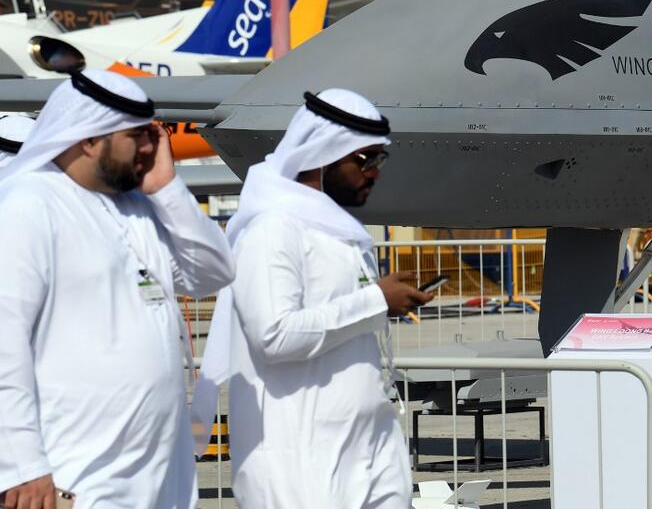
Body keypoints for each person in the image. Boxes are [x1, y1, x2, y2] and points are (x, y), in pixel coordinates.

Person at [0, 69, 235, 508]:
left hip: (159, 470)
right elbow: (3, 346)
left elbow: (214, 272)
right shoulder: (28, 207)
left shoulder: (140, 207)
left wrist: (167, 190)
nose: (150, 147)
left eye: (153, 133)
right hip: (76, 470)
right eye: (138, 136)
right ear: (89, 139)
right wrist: (21, 467)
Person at [201, 89, 432, 508]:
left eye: (381, 160)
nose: (376, 173)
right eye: (366, 160)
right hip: (299, 462)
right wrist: (376, 301)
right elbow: (274, 336)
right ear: (323, 155)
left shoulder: (344, 234)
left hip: (370, 452)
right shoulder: (273, 230)